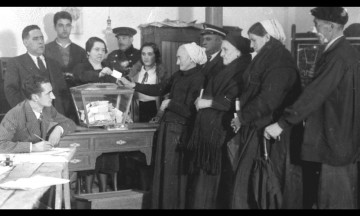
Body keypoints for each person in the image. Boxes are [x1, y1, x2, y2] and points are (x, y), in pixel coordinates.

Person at [264, 7, 360, 209]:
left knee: (332, 200)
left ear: (331, 27)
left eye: (317, 24)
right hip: (338, 141)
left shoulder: (337, 55)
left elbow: (315, 94)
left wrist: (282, 124)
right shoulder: (342, 52)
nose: (313, 29)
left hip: (333, 144)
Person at [118, 42, 207, 209]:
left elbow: (191, 112)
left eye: (180, 58)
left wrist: (170, 103)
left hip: (180, 134)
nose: (177, 62)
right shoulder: (179, 75)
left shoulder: (199, 78)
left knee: (172, 176)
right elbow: (159, 88)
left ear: (191, 59)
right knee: (163, 175)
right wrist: (134, 85)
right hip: (168, 129)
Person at [230, 19, 302, 209]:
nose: (251, 45)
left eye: (254, 40)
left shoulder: (280, 61)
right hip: (258, 125)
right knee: (253, 182)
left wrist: (242, 117)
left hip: (271, 131)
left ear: (268, 37)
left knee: (265, 183)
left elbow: (269, 99)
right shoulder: (269, 57)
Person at [185, 31, 252, 209]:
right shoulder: (229, 68)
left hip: (222, 132)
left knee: (215, 180)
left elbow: (231, 99)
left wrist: (208, 102)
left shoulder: (241, 71)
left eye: (225, 50)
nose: (221, 54)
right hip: (212, 131)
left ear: (238, 52)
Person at [72, 37, 116, 194]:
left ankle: (104, 190)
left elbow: (119, 81)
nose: (100, 53)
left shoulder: (108, 66)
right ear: (88, 51)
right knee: (91, 153)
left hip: (107, 116)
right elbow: (82, 77)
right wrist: (100, 74)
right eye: (97, 49)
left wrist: (113, 74)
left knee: (106, 153)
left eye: (103, 50)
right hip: (87, 117)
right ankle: (88, 191)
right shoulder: (80, 67)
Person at [4, 25, 72, 118]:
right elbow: (11, 91)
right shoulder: (16, 63)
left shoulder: (54, 64)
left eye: (41, 38)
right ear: (26, 42)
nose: (40, 42)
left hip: (57, 118)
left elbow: (63, 92)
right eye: (35, 39)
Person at [0, 74, 76, 153]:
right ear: (35, 97)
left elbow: (70, 123)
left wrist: (58, 129)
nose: (53, 97)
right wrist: (32, 147)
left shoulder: (47, 108)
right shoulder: (14, 115)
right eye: (48, 93)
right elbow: (1, 145)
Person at [45, 11, 87, 88]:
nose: (65, 29)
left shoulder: (81, 51)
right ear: (55, 27)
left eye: (68, 25)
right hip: (54, 95)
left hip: (75, 95)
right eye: (61, 25)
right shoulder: (45, 50)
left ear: (71, 27)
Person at [128, 42, 168, 122]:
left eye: (149, 54)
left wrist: (160, 114)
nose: (146, 57)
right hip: (137, 109)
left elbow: (166, 96)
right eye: (143, 54)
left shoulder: (161, 73)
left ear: (155, 56)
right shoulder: (134, 73)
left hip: (155, 109)